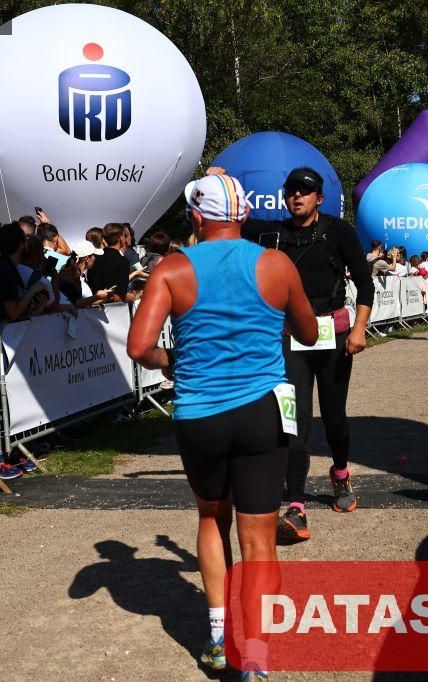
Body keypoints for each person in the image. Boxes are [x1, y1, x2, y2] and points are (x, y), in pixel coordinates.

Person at [128, 173, 318, 680]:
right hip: (261, 412)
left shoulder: (171, 269)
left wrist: (174, 360)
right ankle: (254, 654)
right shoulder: (275, 264)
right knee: (260, 540)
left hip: (200, 414)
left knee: (212, 519)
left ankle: (218, 636)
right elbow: (308, 331)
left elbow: (139, 348)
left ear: (197, 217)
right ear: (245, 214)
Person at [230, 165, 374, 536]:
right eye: (291, 190)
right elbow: (228, 220)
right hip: (291, 338)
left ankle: (340, 473)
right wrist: (216, 181)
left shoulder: (339, 231)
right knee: (295, 420)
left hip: (333, 336)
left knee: (335, 417)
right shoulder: (273, 233)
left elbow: (365, 283)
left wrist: (359, 328)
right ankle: (296, 505)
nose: (297, 195)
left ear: (319, 199)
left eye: (305, 191)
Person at [0, 222, 52, 330]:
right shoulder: (4, 270)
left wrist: (36, 311)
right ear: (20, 245)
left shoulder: (3, 266)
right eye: (25, 240)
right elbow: (12, 313)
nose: (27, 244)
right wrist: (33, 290)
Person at [86, 223, 134, 303]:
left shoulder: (94, 259)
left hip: (92, 306)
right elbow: (118, 297)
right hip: (113, 308)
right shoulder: (123, 261)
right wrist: (133, 297)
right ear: (121, 238)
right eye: (124, 236)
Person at [58, 240, 114, 308]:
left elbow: (85, 302)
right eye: (94, 255)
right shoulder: (67, 277)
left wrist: (105, 298)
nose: (95, 258)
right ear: (87, 259)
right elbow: (74, 303)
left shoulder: (79, 275)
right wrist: (97, 296)